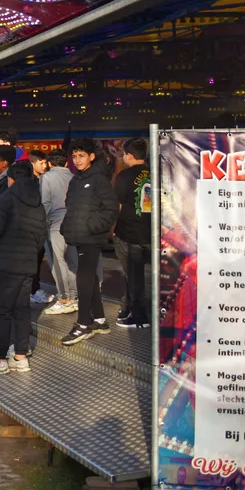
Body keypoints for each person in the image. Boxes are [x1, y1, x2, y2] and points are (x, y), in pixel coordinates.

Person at [0, 161, 47, 373]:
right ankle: (20, 356)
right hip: (27, 264)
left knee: (2, 311)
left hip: (5, 264)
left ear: (11, 179)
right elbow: (40, 237)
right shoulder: (37, 202)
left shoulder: (5, 200)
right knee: (21, 309)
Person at [60, 139, 119, 346]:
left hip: (90, 236)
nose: (77, 160)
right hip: (79, 235)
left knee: (84, 277)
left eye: (81, 156)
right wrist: (68, 226)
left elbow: (111, 208)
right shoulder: (76, 179)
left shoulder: (99, 179)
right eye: (74, 156)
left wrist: (94, 226)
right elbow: (72, 207)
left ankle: (83, 324)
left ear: (91, 156)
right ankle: (100, 320)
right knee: (89, 276)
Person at [113, 138, 152, 330]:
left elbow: (117, 206)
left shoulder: (124, 176)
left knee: (134, 277)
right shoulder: (156, 173)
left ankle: (140, 317)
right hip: (152, 233)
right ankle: (128, 308)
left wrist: (111, 229)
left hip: (129, 233)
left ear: (129, 155)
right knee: (144, 276)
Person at [40, 149, 78, 316]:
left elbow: (45, 203)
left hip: (55, 223)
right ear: (66, 162)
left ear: (49, 163)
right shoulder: (74, 177)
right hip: (73, 222)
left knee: (57, 261)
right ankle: (74, 296)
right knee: (72, 261)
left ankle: (64, 298)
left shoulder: (46, 177)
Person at [27, 151, 54, 307]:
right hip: (33, 226)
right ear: (33, 163)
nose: (45, 166)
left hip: (42, 225)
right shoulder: (30, 182)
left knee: (37, 260)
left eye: (46, 163)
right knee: (33, 260)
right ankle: (33, 290)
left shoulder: (45, 179)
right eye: (42, 163)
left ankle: (34, 289)